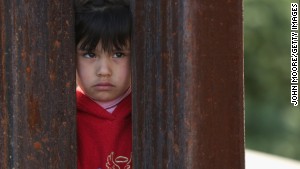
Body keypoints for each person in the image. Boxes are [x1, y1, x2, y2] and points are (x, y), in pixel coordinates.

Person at [75, 0, 132, 168]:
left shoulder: (147, 111)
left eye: (119, 54)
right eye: (89, 54)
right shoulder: (64, 115)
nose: (104, 70)